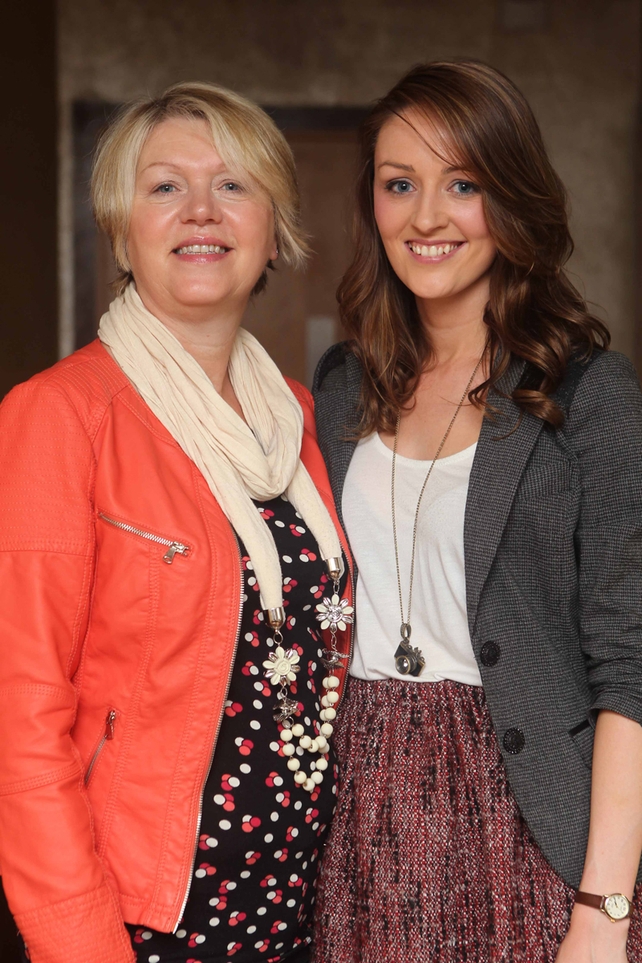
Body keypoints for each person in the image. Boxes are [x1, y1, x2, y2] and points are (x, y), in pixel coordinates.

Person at [0, 81, 353, 963]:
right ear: (122, 227)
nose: (201, 208)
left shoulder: (301, 423)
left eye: (234, 184)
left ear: (274, 226)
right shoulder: (61, 416)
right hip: (150, 925)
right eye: (165, 186)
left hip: (306, 914)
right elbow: (20, 719)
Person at [311, 60, 642, 963]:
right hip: (358, 818)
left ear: (514, 194)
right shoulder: (340, 389)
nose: (426, 217)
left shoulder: (588, 395)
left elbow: (631, 664)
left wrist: (604, 909)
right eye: (399, 184)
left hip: (527, 814)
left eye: (463, 184)